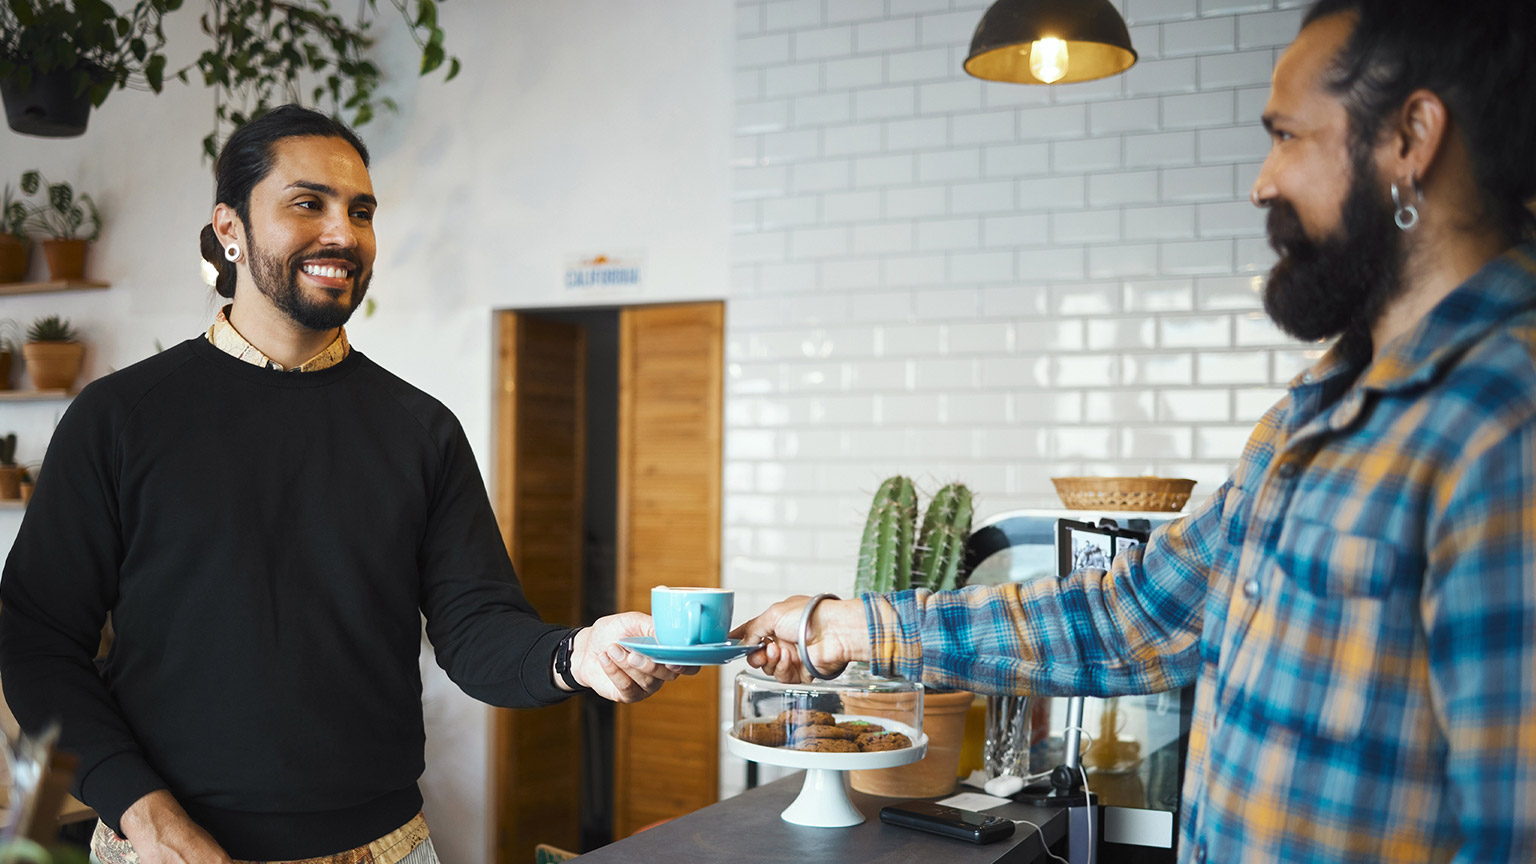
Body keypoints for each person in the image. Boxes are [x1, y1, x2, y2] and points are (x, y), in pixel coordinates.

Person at [737, 1, 1536, 861]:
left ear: (1410, 139)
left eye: (1288, 136)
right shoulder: (1314, 412)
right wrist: (844, 628)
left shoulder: (1502, 424)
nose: (1262, 182)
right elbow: (1133, 616)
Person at [0, 105, 689, 864]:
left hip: (385, 849)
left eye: (360, 211)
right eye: (308, 204)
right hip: (164, 851)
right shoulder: (120, 418)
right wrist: (144, 814)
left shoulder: (419, 429)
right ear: (229, 228)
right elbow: (36, 643)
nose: (343, 233)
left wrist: (578, 652)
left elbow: (477, 627)